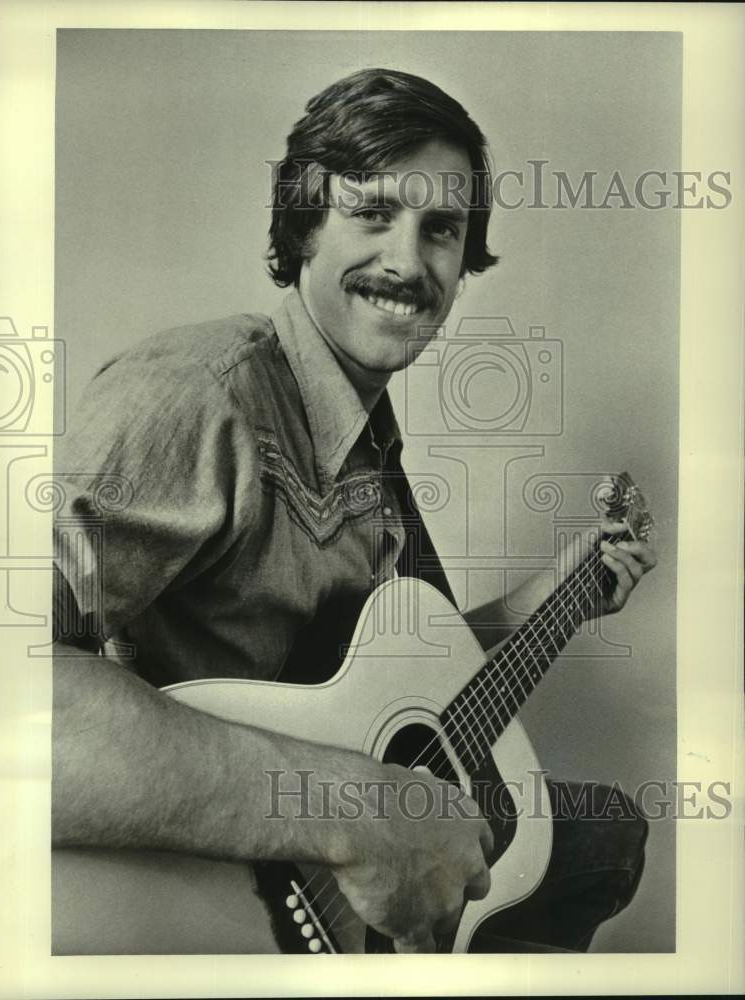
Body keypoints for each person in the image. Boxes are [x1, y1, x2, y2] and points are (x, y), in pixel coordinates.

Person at [52, 67, 656, 954]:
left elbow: (406, 688)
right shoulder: (197, 393)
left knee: (606, 832)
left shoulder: (369, 440)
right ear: (303, 224)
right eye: (372, 212)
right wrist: (357, 811)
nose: (408, 264)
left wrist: (558, 597)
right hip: (230, 889)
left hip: (337, 873)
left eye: (440, 230)